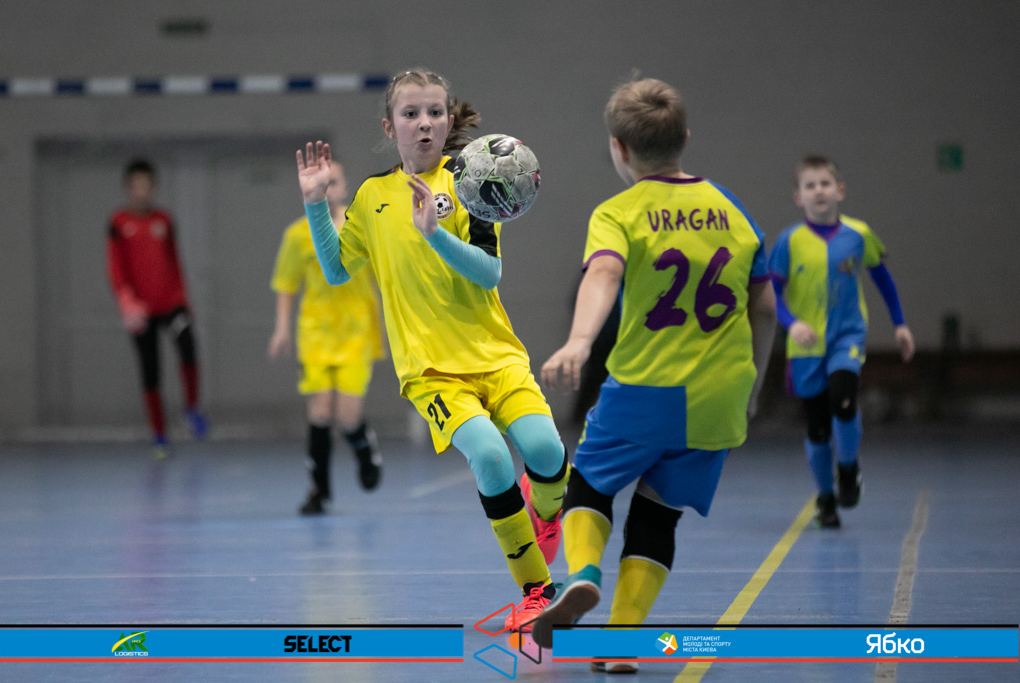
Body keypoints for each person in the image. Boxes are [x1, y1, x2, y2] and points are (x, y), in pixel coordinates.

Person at [294, 69, 569, 632]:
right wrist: (316, 204)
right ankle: (536, 591)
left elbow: (489, 273)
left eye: (435, 113)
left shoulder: (473, 180)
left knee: (546, 452)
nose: (424, 123)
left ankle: (544, 512)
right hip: (432, 371)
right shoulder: (372, 197)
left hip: (495, 355)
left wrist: (435, 235)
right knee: (491, 457)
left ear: (448, 120)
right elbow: (337, 269)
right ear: (389, 126)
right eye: (411, 113)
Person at [533, 78, 777, 670]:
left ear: (618, 148)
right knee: (659, 513)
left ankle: (583, 574)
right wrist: (752, 388)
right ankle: (621, 638)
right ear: (685, 138)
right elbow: (767, 309)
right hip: (719, 393)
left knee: (588, 483)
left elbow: (603, 274)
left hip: (647, 386)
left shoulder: (618, 212)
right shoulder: (735, 211)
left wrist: (579, 341)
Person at [769, 155, 914, 528]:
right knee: (817, 427)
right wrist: (792, 324)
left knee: (843, 400)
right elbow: (772, 294)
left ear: (840, 190)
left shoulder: (858, 234)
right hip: (806, 346)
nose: (819, 191)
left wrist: (899, 324)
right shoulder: (789, 242)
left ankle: (848, 470)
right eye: (810, 185)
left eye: (825, 183)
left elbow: (882, 278)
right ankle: (825, 497)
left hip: (846, 336)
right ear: (798, 196)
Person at [270, 156, 386, 515]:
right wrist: (281, 328)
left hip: (356, 333)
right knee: (320, 413)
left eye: (334, 181)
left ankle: (364, 448)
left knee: (347, 415)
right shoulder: (297, 235)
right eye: (323, 181)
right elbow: (287, 283)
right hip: (316, 334)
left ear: (345, 186)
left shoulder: (362, 229)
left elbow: (386, 277)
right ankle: (319, 490)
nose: (328, 187)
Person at [106, 158, 208, 458]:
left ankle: (191, 409)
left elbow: (174, 262)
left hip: (172, 304)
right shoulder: (118, 223)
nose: (142, 192)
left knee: (188, 347)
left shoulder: (164, 219)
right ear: (128, 188)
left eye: (146, 186)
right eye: (136, 186)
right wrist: (126, 301)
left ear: (153, 188)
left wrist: (184, 299)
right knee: (150, 370)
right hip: (141, 310)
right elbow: (115, 267)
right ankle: (160, 435)